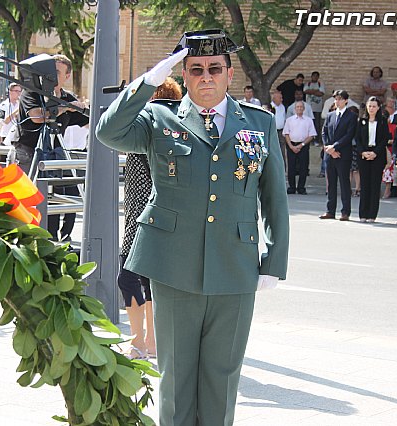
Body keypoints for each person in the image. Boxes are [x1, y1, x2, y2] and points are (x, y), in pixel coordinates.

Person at [96, 29, 289, 425]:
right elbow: (108, 132)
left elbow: (274, 200)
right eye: (196, 69)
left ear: (229, 74)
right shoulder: (158, 117)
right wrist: (149, 80)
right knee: (176, 378)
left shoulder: (258, 123)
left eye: (214, 69)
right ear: (184, 75)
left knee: (222, 378)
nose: (206, 76)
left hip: (235, 267)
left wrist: (273, 261)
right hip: (173, 265)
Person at [119, 77, 183, 361]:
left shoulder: (150, 129)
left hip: (143, 214)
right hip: (146, 212)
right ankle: (149, 342)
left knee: (129, 277)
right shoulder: (159, 129)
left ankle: (139, 342)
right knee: (147, 280)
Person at [18, 54, 89, 241]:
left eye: (57, 72)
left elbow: (88, 120)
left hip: (55, 155)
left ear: (67, 76)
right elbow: (36, 116)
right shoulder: (32, 92)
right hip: (29, 153)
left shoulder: (67, 97)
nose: (51, 76)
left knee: (56, 198)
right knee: (27, 198)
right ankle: (26, 238)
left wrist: (83, 107)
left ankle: (54, 238)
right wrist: (66, 108)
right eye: (50, 71)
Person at [320, 90, 357, 221]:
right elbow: (324, 132)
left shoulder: (351, 116)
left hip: (342, 154)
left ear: (346, 100)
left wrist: (335, 147)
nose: (337, 101)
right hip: (330, 154)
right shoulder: (330, 115)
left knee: (344, 183)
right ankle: (330, 210)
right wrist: (328, 148)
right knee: (331, 183)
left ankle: (345, 211)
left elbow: (349, 135)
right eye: (336, 98)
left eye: (340, 99)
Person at [355, 97, 391, 222]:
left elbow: (385, 139)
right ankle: (363, 214)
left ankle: (372, 215)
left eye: (374, 106)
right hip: (364, 155)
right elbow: (357, 139)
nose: (371, 109)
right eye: (369, 106)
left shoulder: (382, 121)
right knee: (364, 185)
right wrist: (363, 152)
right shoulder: (361, 120)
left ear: (378, 108)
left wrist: (375, 152)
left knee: (374, 185)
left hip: (377, 156)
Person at [283, 101, 317, 194]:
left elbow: (311, 135)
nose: (299, 109)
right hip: (291, 145)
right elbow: (286, 134)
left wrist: (301, 145)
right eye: (297, 107)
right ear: (294, 109)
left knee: (303, 167)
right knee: (291, 167)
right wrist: (291, 146)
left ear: (304, 109)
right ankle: (292, 187)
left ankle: (301, 187)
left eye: (301, 107)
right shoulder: (289, 120)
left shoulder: (308, 120)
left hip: (303, 146)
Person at [303, 71, 325, 145]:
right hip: (308, 109)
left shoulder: (320, 84)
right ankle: (309, 140)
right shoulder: (308, 84)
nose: (315, 77)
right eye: (313, 76)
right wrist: (316, 91)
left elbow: (321, 93)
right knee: (308, 124)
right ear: (311, 76)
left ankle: (317, 140)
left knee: (317, 125)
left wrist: (311, 91)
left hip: (317, 109)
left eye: (316, 76)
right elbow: (305, 91)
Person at [271, 90, 287, 173]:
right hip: (273, 131)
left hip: (281, 131)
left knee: (282, 150)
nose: (281, 99)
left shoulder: (282, 107)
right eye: (280, 98)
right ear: (274, 98)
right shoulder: (270, 107)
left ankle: (283, 170)